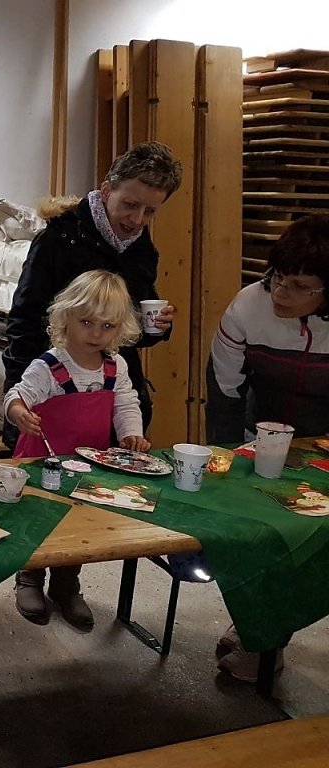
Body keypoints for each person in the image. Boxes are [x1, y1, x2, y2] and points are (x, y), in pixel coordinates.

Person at [206, 214, 329, 682]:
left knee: (307, 538)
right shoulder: (247, 305)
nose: (281, 292)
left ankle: (264, 638)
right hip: (262, 434)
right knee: (258, 533)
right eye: (277, 277)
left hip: (322, 441)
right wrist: (223, 457)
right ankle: (258, 632)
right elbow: (225, 388)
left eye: (299, 286)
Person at [2, 141, 183, 450]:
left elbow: (127, 330)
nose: (137, 219)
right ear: (107, 190)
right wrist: (19, 404)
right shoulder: (60, 239)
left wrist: (157, 328)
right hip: (52, 398)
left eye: (149, 211)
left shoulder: (142, 250)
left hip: (111, 401)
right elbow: (24, 321)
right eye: (130, 204)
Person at [5, 270, 149, 628]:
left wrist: (131, 434)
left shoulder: (116, 367)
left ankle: (66, 584)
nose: (96, 334)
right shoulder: (49, 366)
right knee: (39, 520)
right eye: (87, 322)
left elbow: (126, 404)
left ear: (120, 329)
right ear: (65, 317)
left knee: (78, 523)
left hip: (88, 464)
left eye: (107, 326)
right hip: (43, 463)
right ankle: (29, 576)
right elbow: (16, 395)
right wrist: (19, 411)